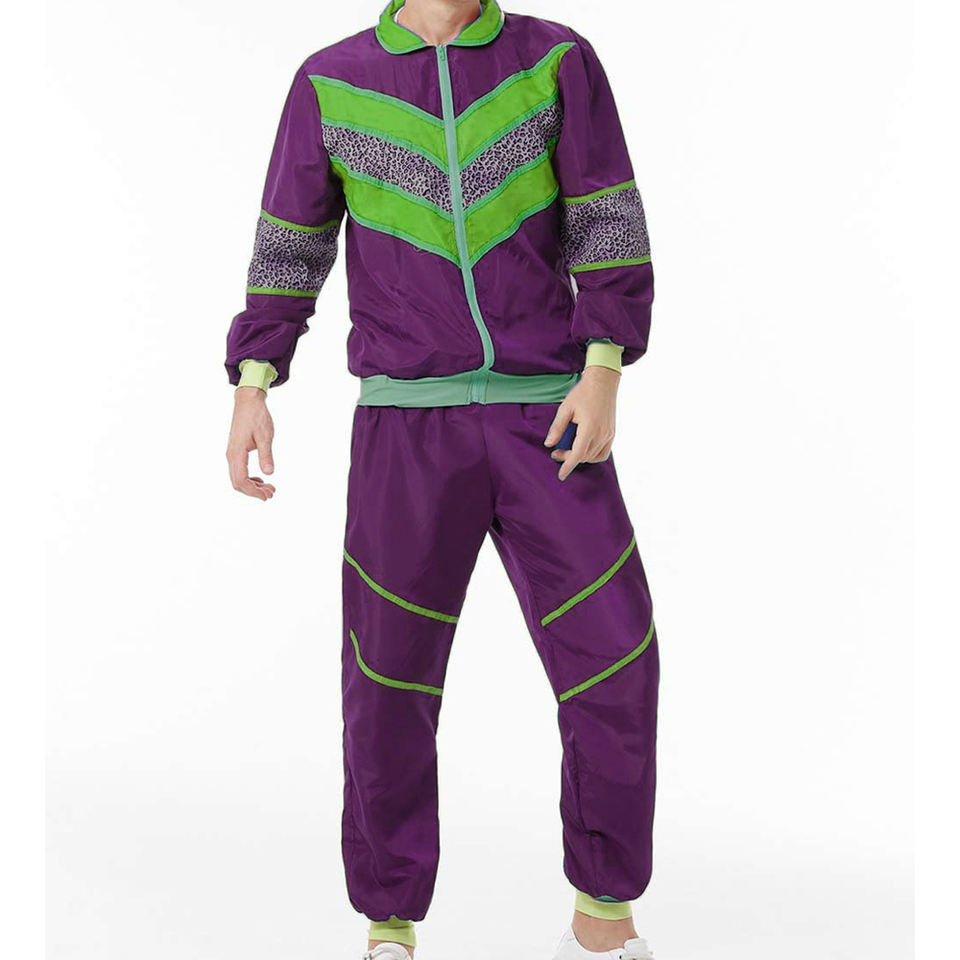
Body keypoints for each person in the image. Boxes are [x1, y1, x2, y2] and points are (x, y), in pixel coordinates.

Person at [224, 2, 659, 958]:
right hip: (405, 426)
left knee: (616, 658)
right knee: (387, 676)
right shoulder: (332, 80)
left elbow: (605, 214)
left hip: (550, 416)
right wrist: (255, 380)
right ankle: (389, 924)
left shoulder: (553, 60)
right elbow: (292, 236)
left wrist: (604, 367)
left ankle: (604, 919)